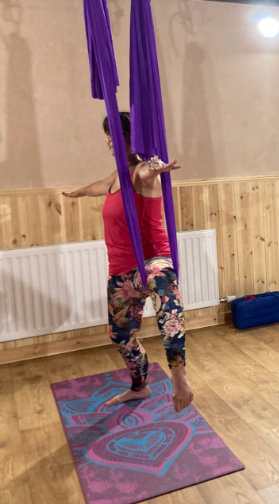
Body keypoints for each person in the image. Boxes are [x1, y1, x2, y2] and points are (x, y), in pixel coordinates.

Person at [63, 112, 193, 412]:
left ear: (132, 139)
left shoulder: (140, 172)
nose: (110, 140)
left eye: (117, 134)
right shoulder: (116, 176)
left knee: (167, 299)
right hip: (121, 270)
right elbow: (99, 186)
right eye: (107, 135)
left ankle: (180, 379)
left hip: (150, 260)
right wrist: (79, 192)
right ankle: (140, 387)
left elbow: (147, 172)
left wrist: (157, 169)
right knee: (120, 336)